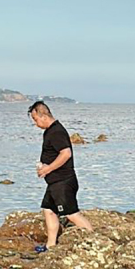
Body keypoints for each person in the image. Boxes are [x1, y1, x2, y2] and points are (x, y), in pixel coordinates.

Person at [28, 100, 93, 252]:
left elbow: (66, 154)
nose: (35, 124)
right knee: (48, 210)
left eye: (35, 120)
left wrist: (48, 168)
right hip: (54, 182)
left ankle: (94, 239)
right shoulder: (50, 131)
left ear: (43, 116)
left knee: (71, 214)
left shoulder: (56, 131)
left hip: (63, 181)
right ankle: (50, 246)